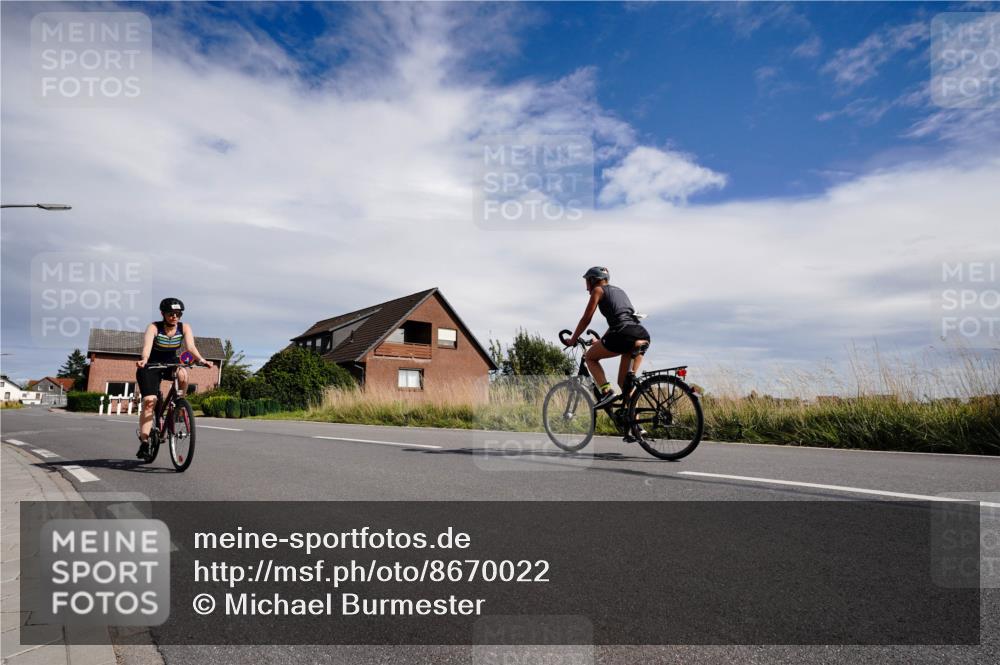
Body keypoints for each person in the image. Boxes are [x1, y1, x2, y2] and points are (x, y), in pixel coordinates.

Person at [135, 298, 213, 459]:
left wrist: (201, 360)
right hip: (151, 364)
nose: (175, 317)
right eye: (171, 314)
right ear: (163, 314)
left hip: (170, 362)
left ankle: (178, 404)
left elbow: (190, 347)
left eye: (178, 314)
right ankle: (144, 441)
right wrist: (144, 359)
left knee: (183, 373)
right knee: (150, 401)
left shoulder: (184, 327)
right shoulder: (154, 327)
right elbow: (147, 347)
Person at [564, 267, 650, 410]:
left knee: (589, 357)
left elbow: (586, 319)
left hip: (623, 334)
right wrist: (600, 341)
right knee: (625, 384)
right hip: (640, 333)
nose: (587, 289)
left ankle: (606, 392)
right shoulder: (620, 291)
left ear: (593, 280)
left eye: (587, 282)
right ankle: (636, 428)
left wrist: (573, 339)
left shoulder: (598, 290)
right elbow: (621, 320)